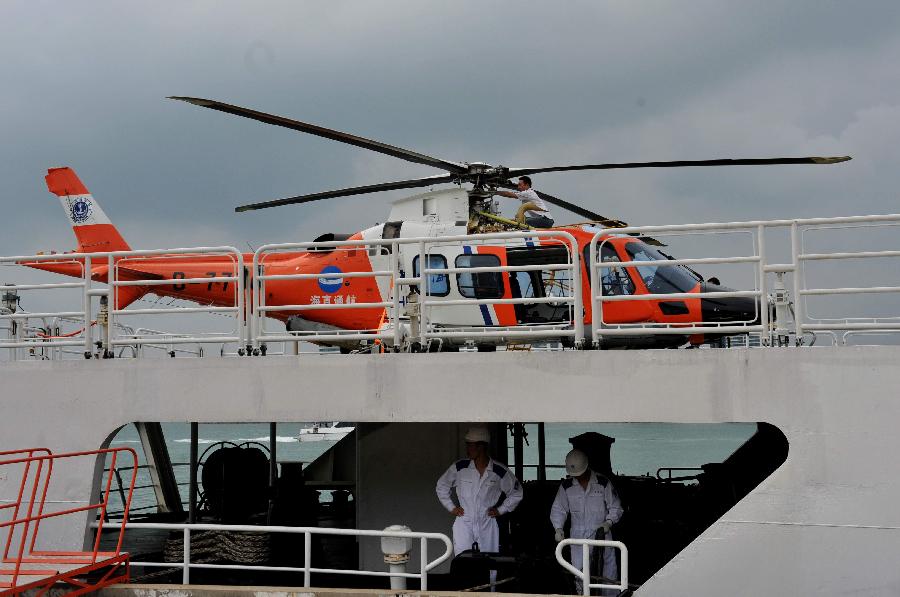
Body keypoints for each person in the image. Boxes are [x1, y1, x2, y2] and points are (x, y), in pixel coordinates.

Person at [436, 425, 523, 587]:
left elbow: (517, 493)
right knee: (462, 562)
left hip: (487, 523)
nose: (468, 448)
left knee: (490, 565)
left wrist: (500, 510)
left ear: (482, 446)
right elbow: (441, 486)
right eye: (468, 444)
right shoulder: (460, 467)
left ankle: (490, 593)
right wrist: (451, 507)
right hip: (464, 522)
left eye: (471, 445)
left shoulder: (498, 471)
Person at [550, 449, 623, 594]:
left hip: (602, 534)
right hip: (577, 537)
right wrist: (558, 528)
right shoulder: (566, 487)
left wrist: (608, 522)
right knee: (579, 574)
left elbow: (616, 507)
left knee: (608, 575)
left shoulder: (603, 483)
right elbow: (558, 509)